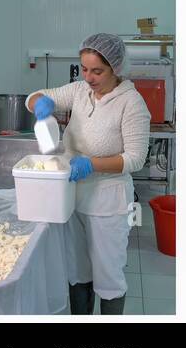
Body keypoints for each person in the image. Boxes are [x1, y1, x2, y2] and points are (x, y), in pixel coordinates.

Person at [27, 33, 150, 316]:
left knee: (109, 276)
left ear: (115, 68)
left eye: (97, 71)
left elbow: (135, 158)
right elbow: (37, 97)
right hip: (72, 196)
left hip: (108, 201)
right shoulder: (80, 91)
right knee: (78, 270)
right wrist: (40, 104)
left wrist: (91, 164)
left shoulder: (131, 103)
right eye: (84, 69)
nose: (89, 77)